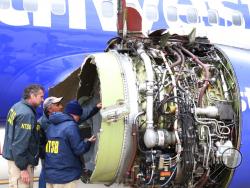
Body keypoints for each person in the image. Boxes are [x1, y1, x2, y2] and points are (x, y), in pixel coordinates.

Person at [45, 100, 99, 188]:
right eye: (79, 115)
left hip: (51, 176)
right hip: (66, 177)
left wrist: (95, 108)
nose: (79, 118)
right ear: (75, 114)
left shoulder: (51, 125)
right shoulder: (71, 126)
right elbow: (78, 149)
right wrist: (87, 142)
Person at [2, 84, 45, 188]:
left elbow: (12, 134)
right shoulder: (26, 114)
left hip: (14, 159)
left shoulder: (16, 106)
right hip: (20, 164)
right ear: (32, 95)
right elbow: (20, 143)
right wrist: (23, 168)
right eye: (41, 96)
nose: (43, 100)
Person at [38, 96, 64, 188]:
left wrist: (95, 109)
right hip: (49, 156)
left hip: (58, 155)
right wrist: (47, 154)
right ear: (49, 109)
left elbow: (78, 117)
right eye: (57, 105)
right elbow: (39, 145)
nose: (61, 107)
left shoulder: (60, 119)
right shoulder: (41, 124)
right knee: (45, 173)